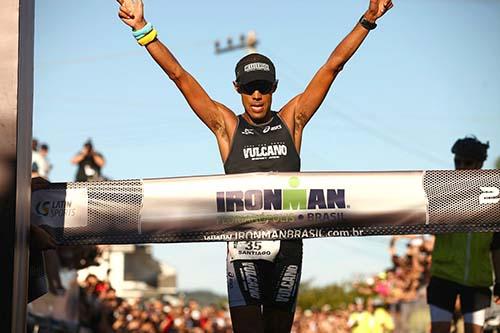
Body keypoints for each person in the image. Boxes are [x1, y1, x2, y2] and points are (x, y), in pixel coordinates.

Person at [115, 0, 394, 331]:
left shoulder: (293, 120)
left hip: (289, 242)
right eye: (249, 89)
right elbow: (179, 76)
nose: (257, 95)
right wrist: (142, 30)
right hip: (242, 245)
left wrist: (367, 20)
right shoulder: (227, 127)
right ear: (238, 89)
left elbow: (332, 67)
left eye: (263, 87)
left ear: (274, 88)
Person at [427, 136, 500, 333]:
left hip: (477, 280)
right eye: (456, 161)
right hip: (444, 275)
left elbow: (496, 245)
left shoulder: (493, 197)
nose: (460, 167)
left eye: (466, 163)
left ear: (480, 164)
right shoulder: (443, 191)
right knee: (439, 330)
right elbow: (429, 227)